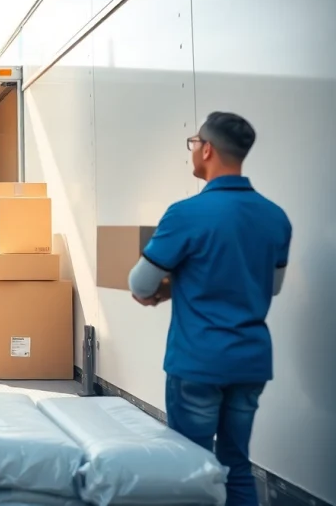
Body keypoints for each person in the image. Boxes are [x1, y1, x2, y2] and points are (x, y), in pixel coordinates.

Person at [128, 111, 291, 506]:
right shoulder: (275, 217)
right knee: (236, 463)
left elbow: (140, 284)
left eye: (194, 143)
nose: (193, 151)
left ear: (207, 150)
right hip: (250, 361)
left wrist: (169, 288)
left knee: (191, 466)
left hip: (197, 361)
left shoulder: (186, 214)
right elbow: (272, 287)